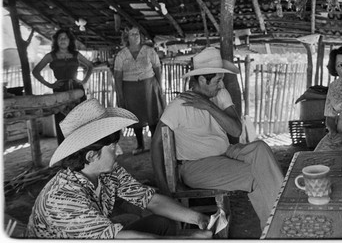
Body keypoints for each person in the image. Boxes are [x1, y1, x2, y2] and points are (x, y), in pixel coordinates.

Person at [25, 99, 212, 239]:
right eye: (114, 146)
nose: (120, 151)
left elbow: (150, 200)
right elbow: (123, 239)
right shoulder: (63, 199)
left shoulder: (109, 171)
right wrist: (186, 238)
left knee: (162, 223)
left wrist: (198, 219)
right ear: (91, 156)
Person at [151, 47, 284, 230]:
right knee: (258, 174)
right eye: (218, 80)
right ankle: (277, 227)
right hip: (196, 166)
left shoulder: (219, 95)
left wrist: (208, 106)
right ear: (203, 79)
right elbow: (156, 143)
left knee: (260, 147)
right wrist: (162, 185)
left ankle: (280, 215)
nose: (221, 85)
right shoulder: (179, 106)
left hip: (226, 153)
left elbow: (236, 130)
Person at [32, 29, 93, 144]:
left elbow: (90, 66)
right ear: (56, 41)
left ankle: (81, 153)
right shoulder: (51, 56)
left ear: (70, 41)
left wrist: (84, 81)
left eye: (65, 37)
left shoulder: (76, 55)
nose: (63, 40)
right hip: (60, 91)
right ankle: (66, 156)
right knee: (63, 123)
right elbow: (35, 71)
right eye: (60, 38)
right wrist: (49, 84)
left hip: (77, 91)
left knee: (79, 121)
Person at [114, 26, 165, 155]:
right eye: (132, 34)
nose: (135, 36)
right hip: (130, 89)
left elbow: (157, 69)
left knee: (152, 114)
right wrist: (120, 95)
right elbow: (118, 76)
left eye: (137, 34)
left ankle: (155, 144)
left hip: (149, 86)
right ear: (127, 37)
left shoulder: (149, 51)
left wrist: (159, 86)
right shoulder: (121, 55)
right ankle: (140, 145)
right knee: (135, 116)